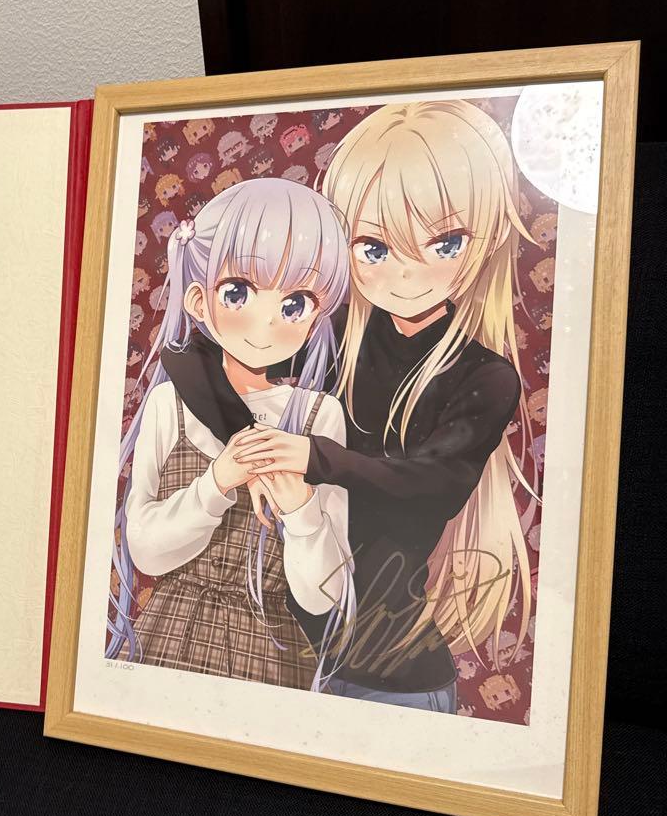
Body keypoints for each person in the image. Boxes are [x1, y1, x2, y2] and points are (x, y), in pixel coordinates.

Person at [233, 101, 536, 712]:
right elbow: (211, 360)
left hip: (392, 672)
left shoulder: (485, 377)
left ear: (487, 240)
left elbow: (430, 483)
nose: (406, 274)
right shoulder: (332, 334)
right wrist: (251, 452)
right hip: (280, 653)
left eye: (444, 242)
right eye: (373, 248)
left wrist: (313, 457)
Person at [108, 177, 355, 692]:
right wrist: (217, 481)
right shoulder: (170, 403)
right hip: (168, 638)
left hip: (270, 655)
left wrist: (301, 511)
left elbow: (323, 595)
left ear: (316, 318)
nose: (267, 322)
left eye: (295, 304)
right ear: (199, 301)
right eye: (238, 292)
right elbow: (145, 550)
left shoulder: (318, 416)